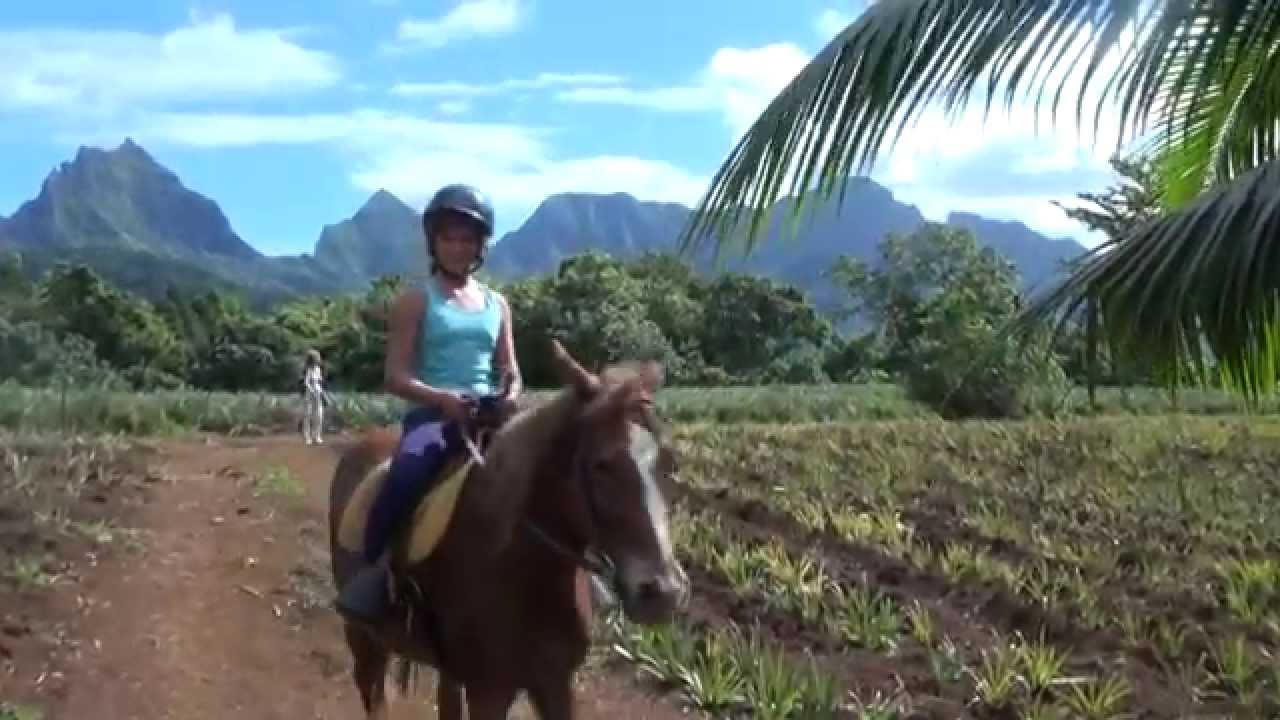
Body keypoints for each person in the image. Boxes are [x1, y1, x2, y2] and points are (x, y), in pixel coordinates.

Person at [335, 183, 522, 627]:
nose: (458, 247)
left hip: (489, 413)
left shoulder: (498, 304)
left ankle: (579, 572)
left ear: (481, 245)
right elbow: (395, 376)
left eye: (467, 239)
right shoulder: (417, 300)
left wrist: (510, 396)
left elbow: (510, 369)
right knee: (409, 469)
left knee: (554, 466)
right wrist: (441, 398)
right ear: (433, 243)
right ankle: (377, 572)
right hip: (435, 415)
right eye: (449, 238)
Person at [301, 349, 326, 445]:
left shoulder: (318, 369)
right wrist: (311, 390)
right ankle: (307, 436)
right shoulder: (309, 369)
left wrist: (320, 389)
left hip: (318, 392)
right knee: (308, 414)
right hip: (310, 393)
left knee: (319, 415)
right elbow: (306, 382)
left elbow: (320, 381)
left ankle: (317, 435)